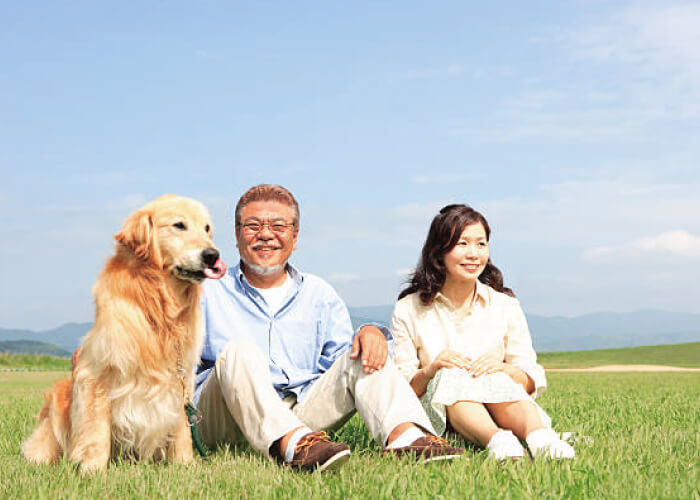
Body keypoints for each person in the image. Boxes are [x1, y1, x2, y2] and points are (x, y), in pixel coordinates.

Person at [194, 185, 465, 472]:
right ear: (237, 236)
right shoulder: (206, 293)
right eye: (253, 226)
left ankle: (407, 438)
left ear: (294, 237)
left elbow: (343, 356)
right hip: (226, 417)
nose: (265, 234)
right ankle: (292, 445)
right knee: (239, 351)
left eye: (278, 225)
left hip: (301, 412)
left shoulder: (318, 293)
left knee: (365, 350)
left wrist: (371, 333)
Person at [391, 204, 575, 461]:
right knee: (451, 374)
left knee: (496, 374)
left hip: (501, 400)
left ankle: (540, 438)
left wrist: (504, 369)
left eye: (481, 244)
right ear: (438, 251)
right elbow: (401, 388)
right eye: (462, 243)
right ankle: (497, 440)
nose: (474, 254)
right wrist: (431, 370)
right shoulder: (408, 308)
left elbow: (530, 375)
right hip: (443, 410)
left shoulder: (505, 305)